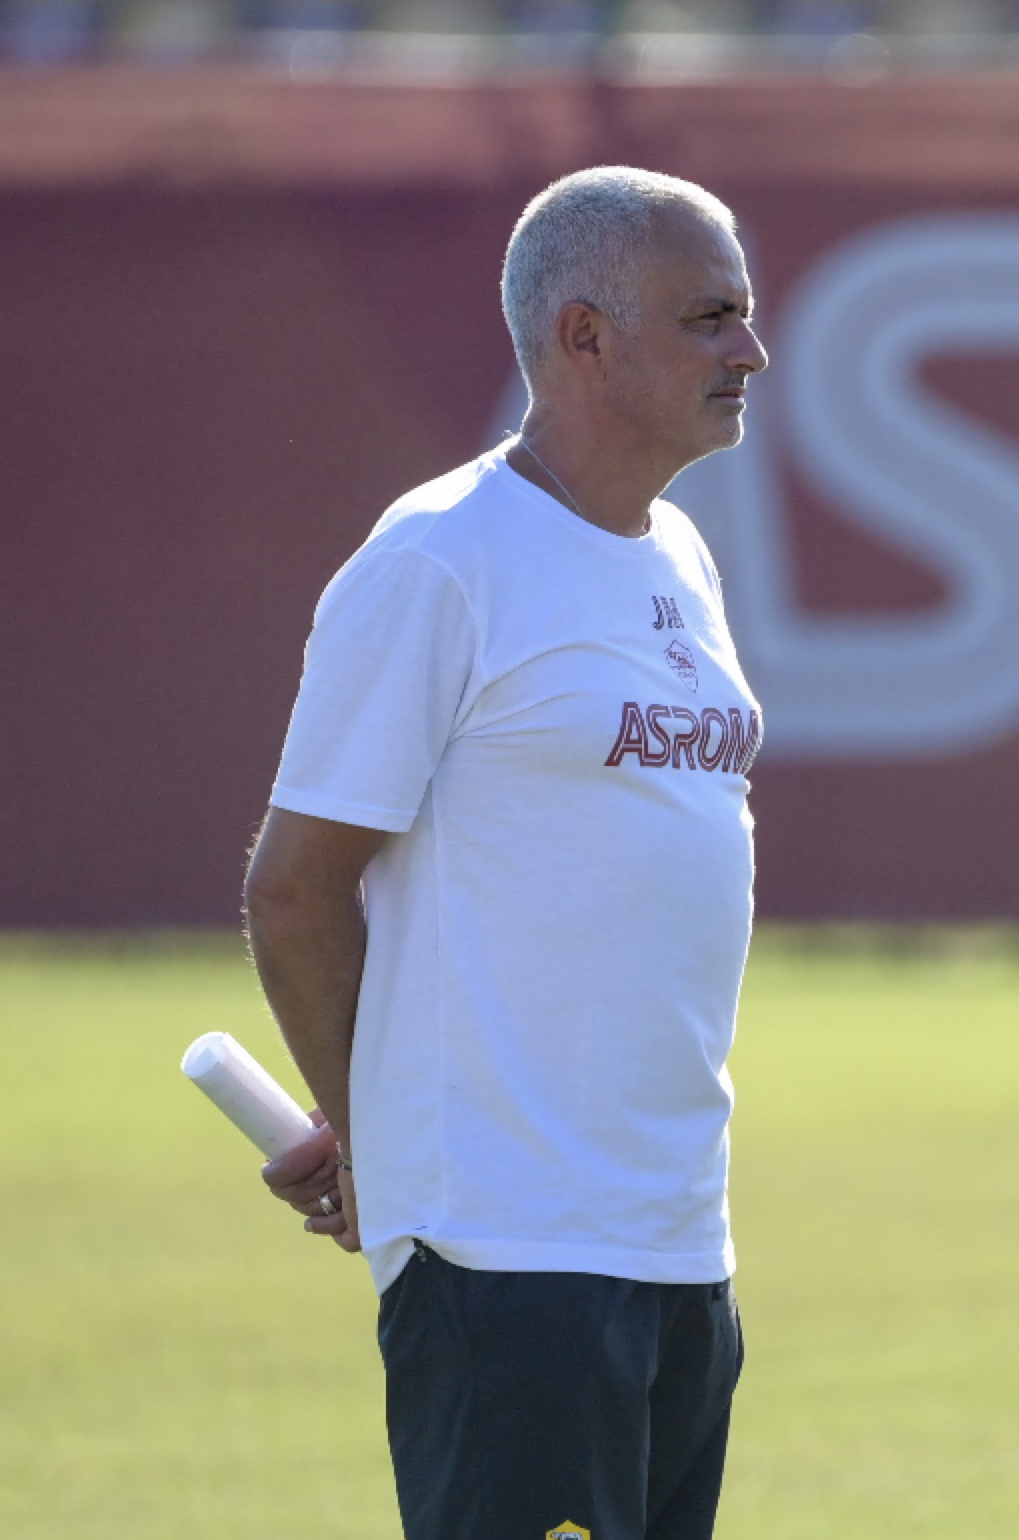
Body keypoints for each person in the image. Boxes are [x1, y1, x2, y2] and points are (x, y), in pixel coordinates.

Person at [244, 166, 770, 1540]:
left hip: (674, 1241)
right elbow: (296, 890)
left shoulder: (682, 561)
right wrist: (379, 1146)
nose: (751, 352)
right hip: (507, 1251)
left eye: (747, 316)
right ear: (583, 336)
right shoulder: (441, 560)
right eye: (711, 317)